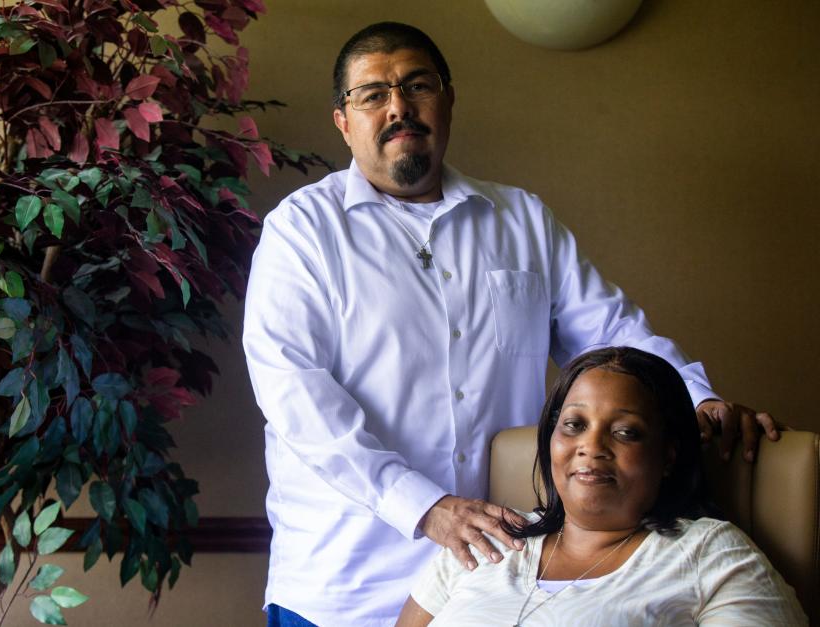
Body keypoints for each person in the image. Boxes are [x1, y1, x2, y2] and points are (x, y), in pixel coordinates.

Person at [242, 21, 779, 626]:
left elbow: (612, 334)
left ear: (448, 99)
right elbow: (295, 397)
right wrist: (427, 508)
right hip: (342, 582)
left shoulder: (521, 220)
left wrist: (699, 398)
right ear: (343, 119)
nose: (399, 107)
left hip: (489, 584)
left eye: (417, 86)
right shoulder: (303, 231)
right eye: (372, 94)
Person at [396, 347, 806, 626]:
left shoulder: (710, 554)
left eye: (626, 432)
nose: (591, 447)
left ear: (668, 456)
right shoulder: (488, 538)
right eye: (574, 425)